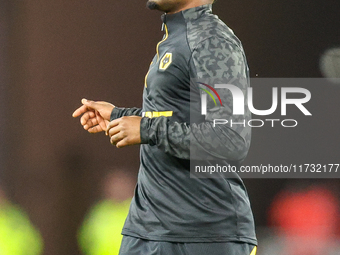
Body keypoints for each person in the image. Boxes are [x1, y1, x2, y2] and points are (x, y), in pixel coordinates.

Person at [73, 0, 257, 254]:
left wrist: (147, 129)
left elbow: (231, 138)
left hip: (204, 235)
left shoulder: (211, 40)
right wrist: (120, 115)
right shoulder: (177, 37)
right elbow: (175, 117)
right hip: (148, 229)